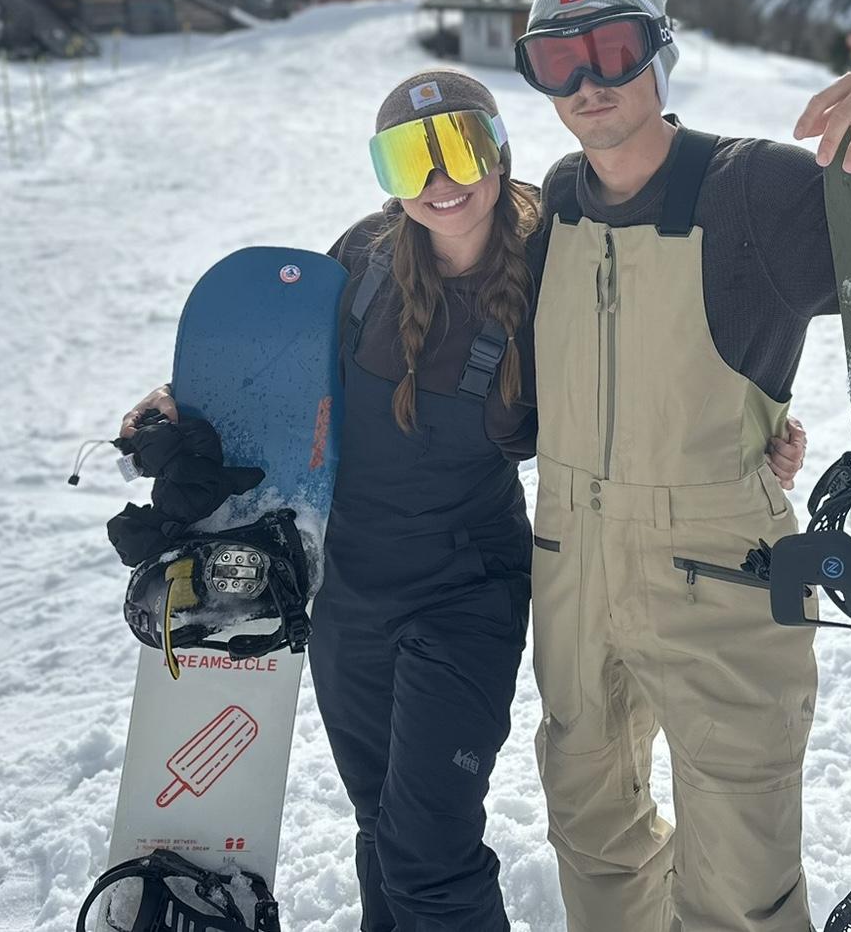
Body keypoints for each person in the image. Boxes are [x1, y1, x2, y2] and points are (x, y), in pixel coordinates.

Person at [512, 0, 851, 932]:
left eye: (611, 49)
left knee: (740, 878)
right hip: (569, 567)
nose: (587, 82)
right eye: (556, 61)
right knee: (591, 836)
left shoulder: (752, 192)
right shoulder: (554, 202)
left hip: (717, 575)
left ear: (660, 54)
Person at [122, 70, 539, 932]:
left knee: (430, 850)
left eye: (460, 145)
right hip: (350, 591)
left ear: (497, 150)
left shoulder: (551, 269)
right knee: (381, 824)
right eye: (409, 157)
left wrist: (755, 430)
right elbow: (279, 372)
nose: (441, 179)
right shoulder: (367, 258)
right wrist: (174, 409)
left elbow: (642, 365)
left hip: (467, 592)